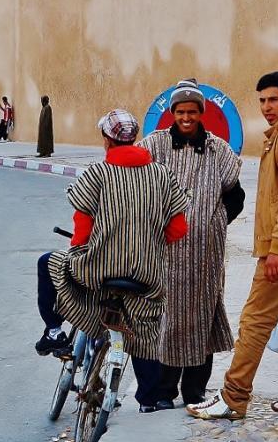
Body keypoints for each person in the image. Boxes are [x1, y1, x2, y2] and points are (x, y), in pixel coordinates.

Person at [189, 71, 278, 421]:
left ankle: (233, 397)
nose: (267, 107)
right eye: (263, 101)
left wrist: (277, 248)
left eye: (274, 100)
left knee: (255, 319)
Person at [35, 109, 190, 412]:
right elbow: (179, 228)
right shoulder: (162, 175)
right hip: (147, 275)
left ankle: (54, 333)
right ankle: (149, 400)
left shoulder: (96, 173)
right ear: (136, 140)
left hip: (98, 272)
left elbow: (81, 230)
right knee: (145, 329)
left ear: (107, 140)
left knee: (47, 263)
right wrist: (148, 246)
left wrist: (83, 250)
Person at [139, 78, 243, 410]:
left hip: (204, 255)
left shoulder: (217, 149)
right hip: (165, 253)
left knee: (203, 317)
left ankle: (195, 391)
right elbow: (136, 183)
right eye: (181, 111)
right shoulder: (154, 146)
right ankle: (165, 391)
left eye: (192, 111)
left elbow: (236, 196)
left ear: (201, 112)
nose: (186, 117)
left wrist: (214, 221)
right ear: (173, 113)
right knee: (168, 319)